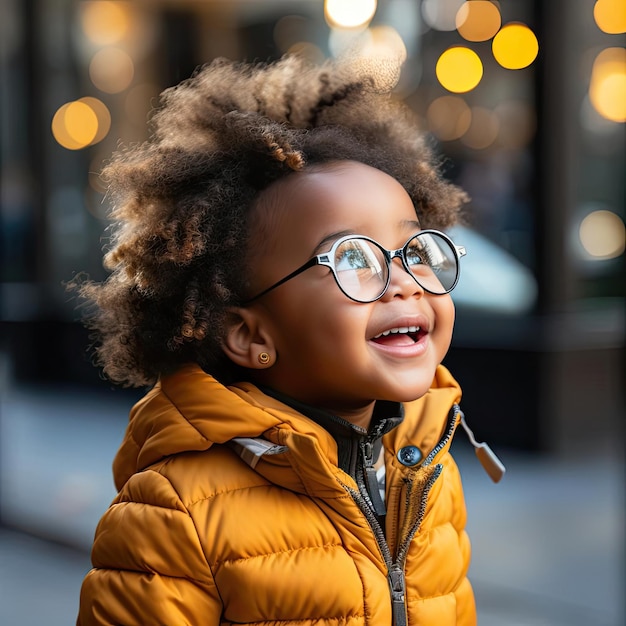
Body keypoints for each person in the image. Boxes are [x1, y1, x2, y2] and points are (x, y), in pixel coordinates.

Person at [74, 53, 503, 626]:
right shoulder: (174, 513)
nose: (403, 282)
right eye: (352, 260)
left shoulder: (426, 469)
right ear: (250, 334)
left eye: (415, 250)